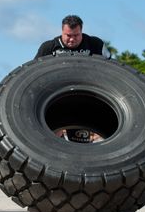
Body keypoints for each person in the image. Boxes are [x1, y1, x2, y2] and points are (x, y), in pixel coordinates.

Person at [34, 15, 110, 143]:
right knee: (52, 138)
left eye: (76, 35)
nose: (72, 39)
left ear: (81, 31)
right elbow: (33, 73)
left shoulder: (94, 44)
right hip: (56, 98)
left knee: (80, 141)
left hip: (83, 98)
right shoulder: (49, 47)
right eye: (68, 35)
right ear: (62, 32)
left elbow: (111, 68)